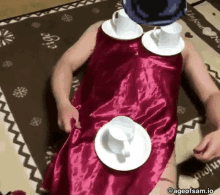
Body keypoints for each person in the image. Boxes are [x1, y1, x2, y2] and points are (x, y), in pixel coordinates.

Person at [41, 17, 220, 194]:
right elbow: (66, 63)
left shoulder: (182, 45)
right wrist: (63, 102)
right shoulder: (103, 29)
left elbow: (211, 94)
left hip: (156, 133)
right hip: (98, 123)